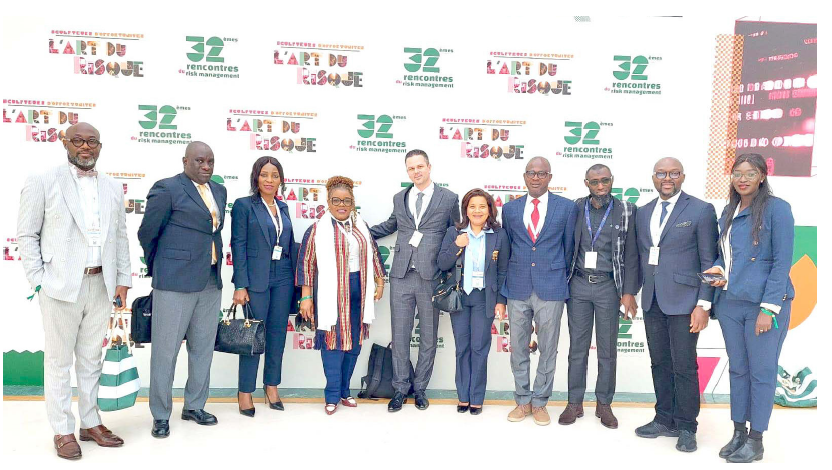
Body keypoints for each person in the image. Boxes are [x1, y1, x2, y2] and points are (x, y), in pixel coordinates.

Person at [17, 122, 131, 459]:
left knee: (91, 359)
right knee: (58, 361)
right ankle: (63, 429)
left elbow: (120, 235)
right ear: (64, 142)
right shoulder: (42, 180)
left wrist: (122, 278)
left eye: (92, 141)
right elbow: (26, 234)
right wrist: (39, 280)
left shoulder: (112, 186)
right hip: (59, 286)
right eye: (78, 140)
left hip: (101, 284)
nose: (85, 147)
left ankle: (90, 422)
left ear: (100, 146)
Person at [702, 153, 794, 463]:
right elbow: (725, 256)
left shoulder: (777, 209)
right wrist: (718, 270)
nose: (743, 179)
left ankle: (756, 440)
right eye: (737, 173)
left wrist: (768, 309)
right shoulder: (729, 210)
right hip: (730, 302)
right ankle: (739, 432)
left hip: (762, 305)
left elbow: (782, 262)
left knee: (761, 372)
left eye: (750, 173)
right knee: (738, 370)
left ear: (762, 177)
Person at [137, 141, 227, 438]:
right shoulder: (167, 188)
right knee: (165, 352)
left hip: (210, 281)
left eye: (210, 161)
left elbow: (213, 232)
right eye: (200, 161)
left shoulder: (219, 190)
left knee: (202, 349)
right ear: (185, 161)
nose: (206, 166)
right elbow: (147, 232)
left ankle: (194, 406)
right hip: (174, 283)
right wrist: (163, 266)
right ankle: (161, 414)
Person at [634, 157, 718, 452]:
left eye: (673, 173)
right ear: (653, 177)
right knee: (660, 362)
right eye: (661, 173)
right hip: (652, 300)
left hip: (686, 302)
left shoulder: (701, 210)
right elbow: (639, 256)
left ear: (682, 177)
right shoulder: (643, 212)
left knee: (684, 365)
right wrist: (631, 292)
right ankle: (664, 418)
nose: (667, 178)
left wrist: (704, 304)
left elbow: (709, 261)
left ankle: (686, 426)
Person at [369, 149, 460, 412]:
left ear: (429, 167)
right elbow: (391, 225)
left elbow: (455, 232)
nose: (416, 171)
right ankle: (399, 389)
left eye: (420, 166)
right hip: (401, 275)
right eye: (411, 168)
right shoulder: (400, 197)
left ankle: (420, 388)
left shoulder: (448, 198)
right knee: (400, 336)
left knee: (429, 337)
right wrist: (361, 231)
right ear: (407, 171)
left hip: (431, 276)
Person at [297, 176, 386, 414]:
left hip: (359, 290)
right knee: (332, 342)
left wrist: (380, 281)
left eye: (346, 200)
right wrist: (306, 297)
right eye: (336, 200)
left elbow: (374, 254)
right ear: (328, 202)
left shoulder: (361, 226)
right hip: (331, 294)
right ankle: (332, 394)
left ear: (353, 202)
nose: (341, 205)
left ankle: (345, 391)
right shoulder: (317, 229)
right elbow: (306, 263)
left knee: (354, 342)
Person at [560, 164, 638, 429]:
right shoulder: (574, 207)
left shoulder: (627, 210)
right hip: (579, 285)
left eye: (605, 180)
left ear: (612, 180)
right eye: (595, 182)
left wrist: (628, 292)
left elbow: (632, 254)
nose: (601, 186)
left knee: (607, 349)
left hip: (608, 287)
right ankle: (574, 402)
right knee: (577, 349)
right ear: (586, 183)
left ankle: (604, 404)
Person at [502, 156, 578, 426]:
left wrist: (556, 275)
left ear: (550, 177)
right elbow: (508, 248)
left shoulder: (567, 208)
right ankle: (522, 400)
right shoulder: (510, 209)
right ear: (524, 176)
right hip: (517, 286)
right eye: (531, 173)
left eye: (541, 173)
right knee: (518, 348)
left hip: (552, 286)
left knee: (548, 348)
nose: (536, 177)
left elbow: (569, 249)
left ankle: (540, 402)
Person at [230, 157, 297, 417]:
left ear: (281, 179)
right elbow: (238, 245)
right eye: (264, 174)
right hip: (256, 279)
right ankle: (245, 392)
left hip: (283, 277)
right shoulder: (244, 206)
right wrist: (241, 285)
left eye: (275, 175)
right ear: (256, 177)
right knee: (253, 337)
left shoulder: (283, 207)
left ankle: (271, 387)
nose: (270, 180)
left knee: (277, 335)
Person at [437, 189, 509, 415]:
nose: (477, 211)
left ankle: (477, 397)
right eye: (472, 207)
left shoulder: (499, 235)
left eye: (482, 206)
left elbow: (503, 270)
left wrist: (501, 301)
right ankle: (463, 396)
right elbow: (442, 263)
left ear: (490, 210)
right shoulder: (454, 232)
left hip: (484, 298)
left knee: (479, 347)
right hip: (459, 297)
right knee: (462, 348)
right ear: (465, 210)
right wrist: (457, 245)